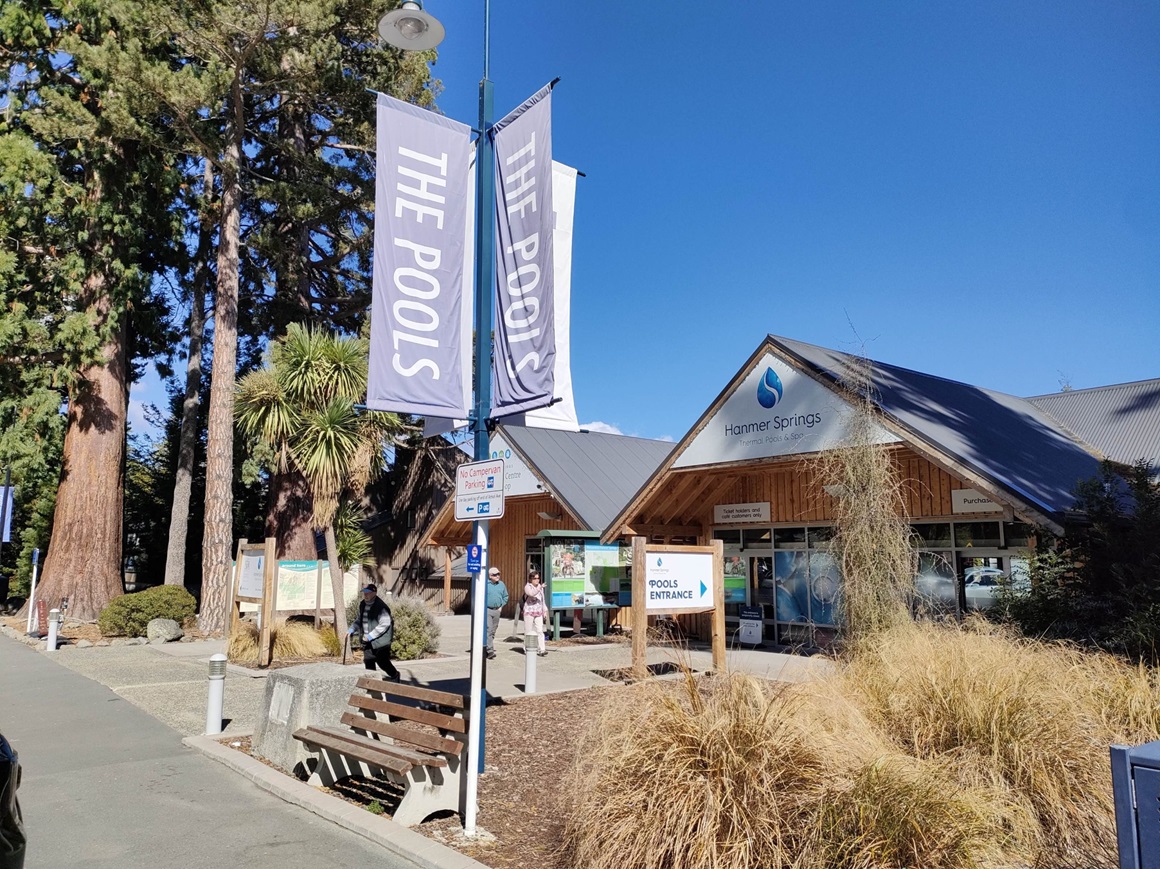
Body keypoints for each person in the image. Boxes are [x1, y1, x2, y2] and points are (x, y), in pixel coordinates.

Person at [350, 583, 399, 680]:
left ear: (374, 593)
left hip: (381, 641)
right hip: (367, 639)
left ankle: (395, 675)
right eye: (364, 593)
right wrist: (352, 628)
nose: (365, 595)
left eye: (368, 593)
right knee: (368, 661)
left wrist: (370, 636)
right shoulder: (363, 604)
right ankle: (372, 682)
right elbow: (360, 619)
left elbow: (384, 624)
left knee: (382, 662)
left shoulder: (381, 607)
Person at [485, 567, 509, 659]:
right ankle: (490, 650)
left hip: (497, 610)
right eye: (495, 575)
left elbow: (505, 596)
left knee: (493, 631)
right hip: (487, 610)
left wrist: (501, 606)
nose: (497, 576)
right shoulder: (486, 584)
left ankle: (487, 646)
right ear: (490, 576)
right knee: (489, 629)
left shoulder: (501, 584)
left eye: (498, 574)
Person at [522, 571, 548, 657]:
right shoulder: (527, 587)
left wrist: (545, 610)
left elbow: (542, 600)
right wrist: (539, 588)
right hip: (529, 611)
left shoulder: (541, 588)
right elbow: (531, 594)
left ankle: (542, 649)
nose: (537, 580)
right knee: (528, 630)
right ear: (531, 579)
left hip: (538, 611)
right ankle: (526, 648)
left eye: (538, 578)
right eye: (535, 578)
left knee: (540, 630)